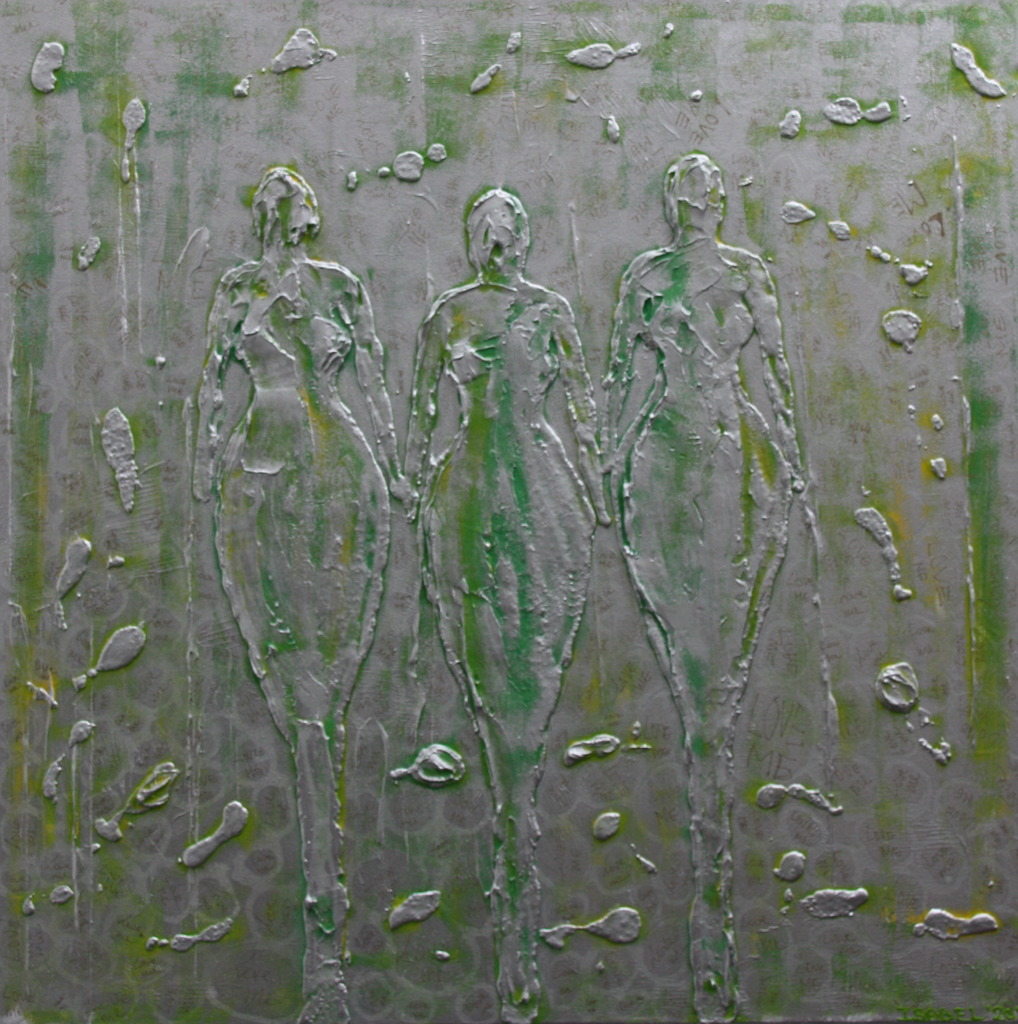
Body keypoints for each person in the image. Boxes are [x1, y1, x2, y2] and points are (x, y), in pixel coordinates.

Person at [193, 166, 406, 1024]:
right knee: (288, 680)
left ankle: (330, 927)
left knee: (330, 682)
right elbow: (211, 388)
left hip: (339, 476)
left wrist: (396, 469)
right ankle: (321, 932)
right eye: (279, 202)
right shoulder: (238, 287)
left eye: (300, 201)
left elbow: (377, 388)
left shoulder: (341, 288)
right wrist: (203, 467)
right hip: (259, 475)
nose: (292, 211)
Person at [605, 154, 805, 1023]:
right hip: (662, 463)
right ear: (673, 201)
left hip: (732, 454)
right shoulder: (644, 278)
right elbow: (618, 388)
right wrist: (606, 473)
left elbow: (779, 378)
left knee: (726, 666)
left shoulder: (750, 273)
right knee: (687, 664)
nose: (698, 200)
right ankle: (705, 920)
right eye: (686, 190)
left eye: (708, 190)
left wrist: (790, 460)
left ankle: (718, 923)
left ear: (720, 201)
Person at [405, 188, 609, 1024]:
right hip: (466, 492)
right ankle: (507, 855)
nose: (498, 240)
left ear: (523, 236)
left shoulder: (551, 311)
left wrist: (600, 496)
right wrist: (409, 489)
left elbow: (585, 414)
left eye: (510, 228)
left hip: (543, 492)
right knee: (481, 664)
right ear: (470, 239)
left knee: (537, 662)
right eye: (484, 229)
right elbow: (419, 419)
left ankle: (522, 857)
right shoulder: (447, 316)